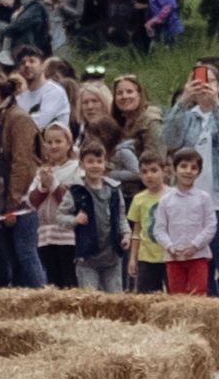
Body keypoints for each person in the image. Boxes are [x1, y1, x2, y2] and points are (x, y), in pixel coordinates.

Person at [162, 63, 219, 296]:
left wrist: (216, 108)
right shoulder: (185, 116)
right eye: (198, 81)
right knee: (201, 269)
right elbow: (169, 140)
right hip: (190, 204)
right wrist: (183, 101)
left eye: (210, 81)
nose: (204, 86)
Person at [0, 66, 44, 287]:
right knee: (12, 258)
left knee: (25, 254)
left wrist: (14, 202)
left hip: (20, 201)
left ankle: (40, 300)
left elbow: (23, 163)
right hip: (2, 201)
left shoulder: (18, 119)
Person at [153, 147, 217, 295]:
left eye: (193, 168)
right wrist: (170, 247)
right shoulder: (165, 200)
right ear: (174, 169)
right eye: (183, 166)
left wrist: (195, 246)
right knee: (176, 297)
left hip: (198, 256)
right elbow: (159, 229)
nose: (188, 171)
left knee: (198, 296)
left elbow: (211, 226)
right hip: (173, 257)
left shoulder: (204, 198)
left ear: (199, 172)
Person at [30, 121, 84, 287]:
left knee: (69, 279)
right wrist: (43, 186)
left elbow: (73, 202)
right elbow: (32, 201)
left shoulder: (76, 168)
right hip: (46, 234)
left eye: (58, 141)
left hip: (68, 236)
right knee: (53, 280)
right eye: (49, 142)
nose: (53, 146)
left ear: (68, 144)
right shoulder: (43, 171)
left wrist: (53, 184)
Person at [70, 141, 129, 292]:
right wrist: (74, 220)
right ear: (82, 164)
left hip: (112, 257)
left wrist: (126, 235)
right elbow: (60, 216)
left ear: (105, 164)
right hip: (87, 257)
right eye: (90, 161)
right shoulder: (77, 191)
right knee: (90, 299)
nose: (95, 165)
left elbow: (121, 217)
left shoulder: (115, 190)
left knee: (116, 300)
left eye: (99, 161)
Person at [126, 152, 171, 293]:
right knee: (146, 296)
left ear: (164, 171)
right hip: (146, 257)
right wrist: (133, 258)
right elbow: (136, 232)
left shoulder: (174, 196)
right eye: (144, 172)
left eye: (154, 170)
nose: (149, 175)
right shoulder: (138, 199)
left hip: (170, 255)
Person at [3, 0, 56, 64]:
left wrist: (4, 30)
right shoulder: (24, 3)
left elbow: (19, 25)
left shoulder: (37, 6)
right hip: (22, 50)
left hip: (31, 52)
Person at [11, 48, 69, 131]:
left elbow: (40, 122)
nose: (27, 65)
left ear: (42, 66)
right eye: (22, 63)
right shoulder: (20, 97)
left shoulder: (54, 91)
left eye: (32, 61)